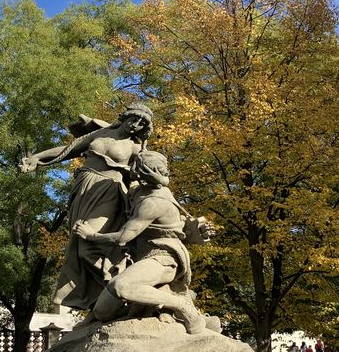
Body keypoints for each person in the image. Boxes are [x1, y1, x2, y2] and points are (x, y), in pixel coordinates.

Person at [23, 104, 154, 312]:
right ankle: (105, 299)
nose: (135, 126)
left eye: (141, 125)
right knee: (76, 243)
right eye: (134, 120)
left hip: (109, 192)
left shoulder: (135, 149)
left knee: (88, 243)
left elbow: (150, 176)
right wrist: (38, 157)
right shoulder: (101, 133)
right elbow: (69, 150)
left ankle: (123, 284)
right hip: (83, 189)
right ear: (126, 116)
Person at [73, 150, 210, 334]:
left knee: (121, 286)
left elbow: (122, 238)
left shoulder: (153, 203)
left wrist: (91, 235)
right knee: (102, 311)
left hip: (162, 259)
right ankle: (148, 304)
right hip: (141, 260)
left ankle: (181, 305)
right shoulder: (139, 191)